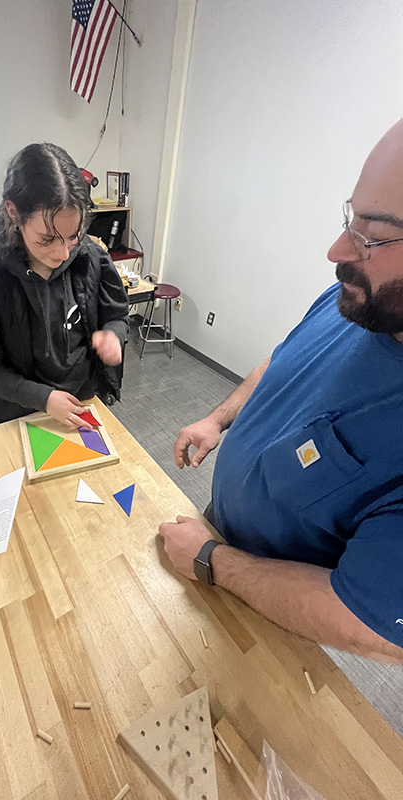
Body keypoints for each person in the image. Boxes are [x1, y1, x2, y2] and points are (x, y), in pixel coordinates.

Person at [159, 120, 403, 663]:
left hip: (265, 603)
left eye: (373, 235)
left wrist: (212, 562)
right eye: (350, 220)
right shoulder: (363, 299)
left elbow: (369, 623)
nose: (337, 251)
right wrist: (220, 419)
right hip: (215, 533)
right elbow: (286, 357)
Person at [0, 142, 129, 427]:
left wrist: (113, 334)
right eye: (46, 239)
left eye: (73, 235)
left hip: (82, 397)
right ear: (13, 213)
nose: (63, 253)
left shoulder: (91, 257)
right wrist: (43, 398)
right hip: (19, 408)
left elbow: (117, 314)